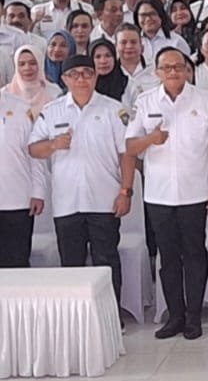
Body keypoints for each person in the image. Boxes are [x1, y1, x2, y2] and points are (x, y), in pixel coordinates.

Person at [124, 47, 208, 340]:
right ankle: (175, 315)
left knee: (195, 254)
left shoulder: (205, 100)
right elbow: (130, 147)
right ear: (157, 72)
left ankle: (194, 316)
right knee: (167, 258)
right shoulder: (144, 102)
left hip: (195, 193)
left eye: (178, 67)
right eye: (166, 68)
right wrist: (151, 139)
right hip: (159, 196)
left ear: (187, 70)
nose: (172, 72)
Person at [29, 54, 132, 305]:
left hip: (104, 201)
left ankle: (111, 316)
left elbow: (126, 154)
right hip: (67, 203)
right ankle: (76, 320)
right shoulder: (52, 111)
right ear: (65, 79)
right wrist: (54, 144)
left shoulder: (113, 109)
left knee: (106, 261)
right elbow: (33, 149)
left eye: (87, 72)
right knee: (72, 264)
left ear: (96, 75)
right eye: (74, 74)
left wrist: (125, 191)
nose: (81, 79)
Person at [0, 81, 46, 267]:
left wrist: (38, 192)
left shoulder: (21, 109)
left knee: (17, 263)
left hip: (17, 200)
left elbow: (35, 154)